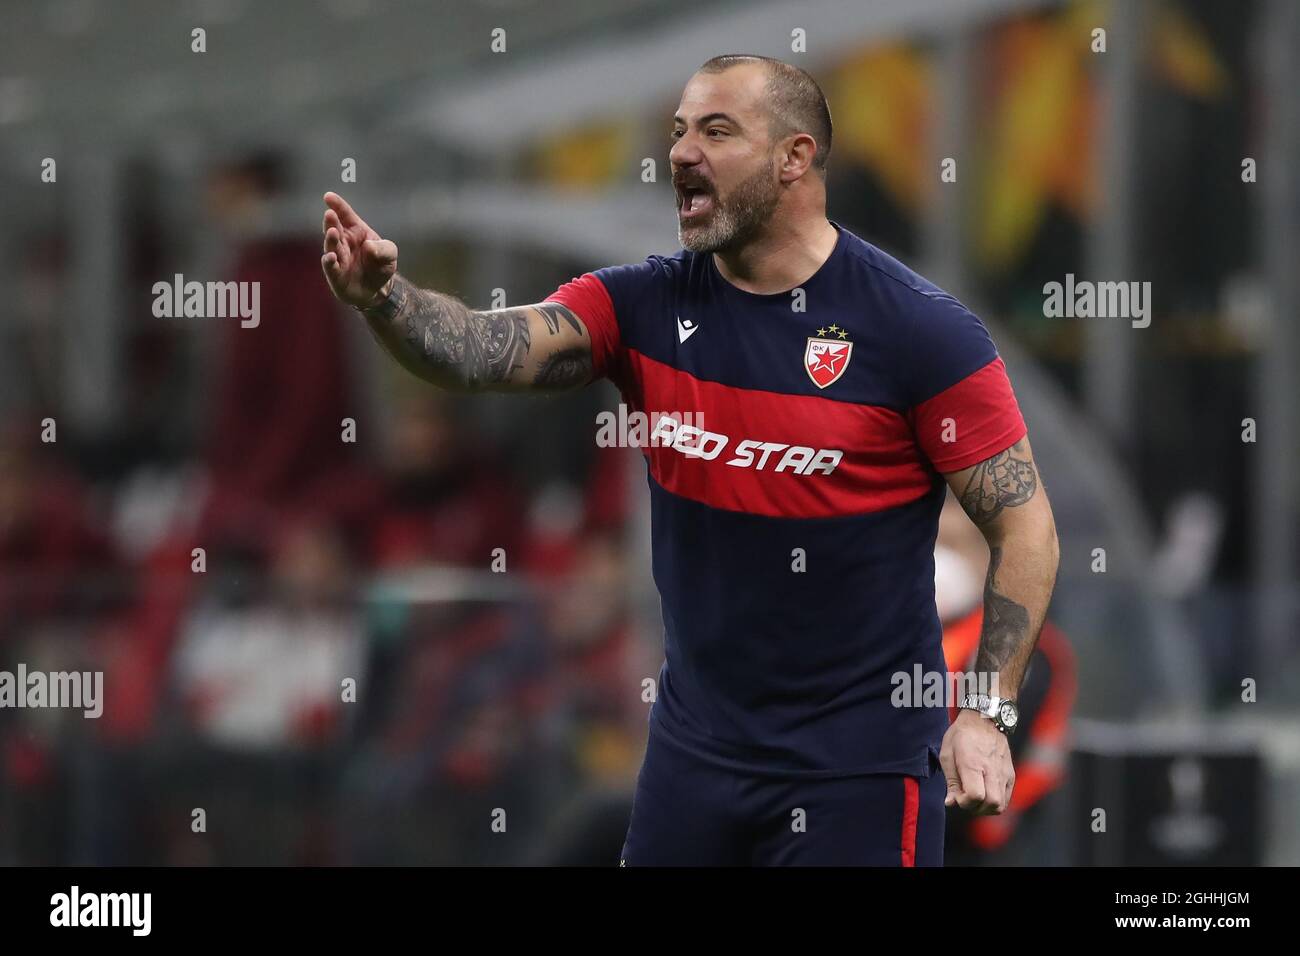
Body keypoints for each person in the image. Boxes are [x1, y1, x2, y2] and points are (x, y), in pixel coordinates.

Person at [320, 54, 1060, 866]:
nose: (680, 152)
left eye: (716, 130)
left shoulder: (921, 332)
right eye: (677, 132)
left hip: (859, 773)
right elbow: (477, 352)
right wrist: (386, 300)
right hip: (694, 764)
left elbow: (1024, 528)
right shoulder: (637, 305)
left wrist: (986, 714)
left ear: (795, 158)